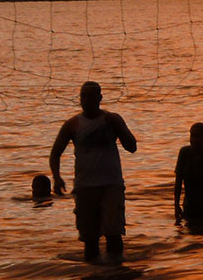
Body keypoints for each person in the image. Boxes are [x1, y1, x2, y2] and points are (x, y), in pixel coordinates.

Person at [49, 81, 138, 262]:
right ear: (80, 99)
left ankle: (115, 276)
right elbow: (55, 153)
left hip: (111, 185)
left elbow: (132, 147)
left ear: (100, 98)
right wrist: (57, 178)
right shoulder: (72, 125)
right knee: (90, 240)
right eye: (84, 96)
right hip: (85, 187)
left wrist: (117, 127)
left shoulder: (112, 119)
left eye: (91, 96)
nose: (87, 100)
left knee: (114, 235)